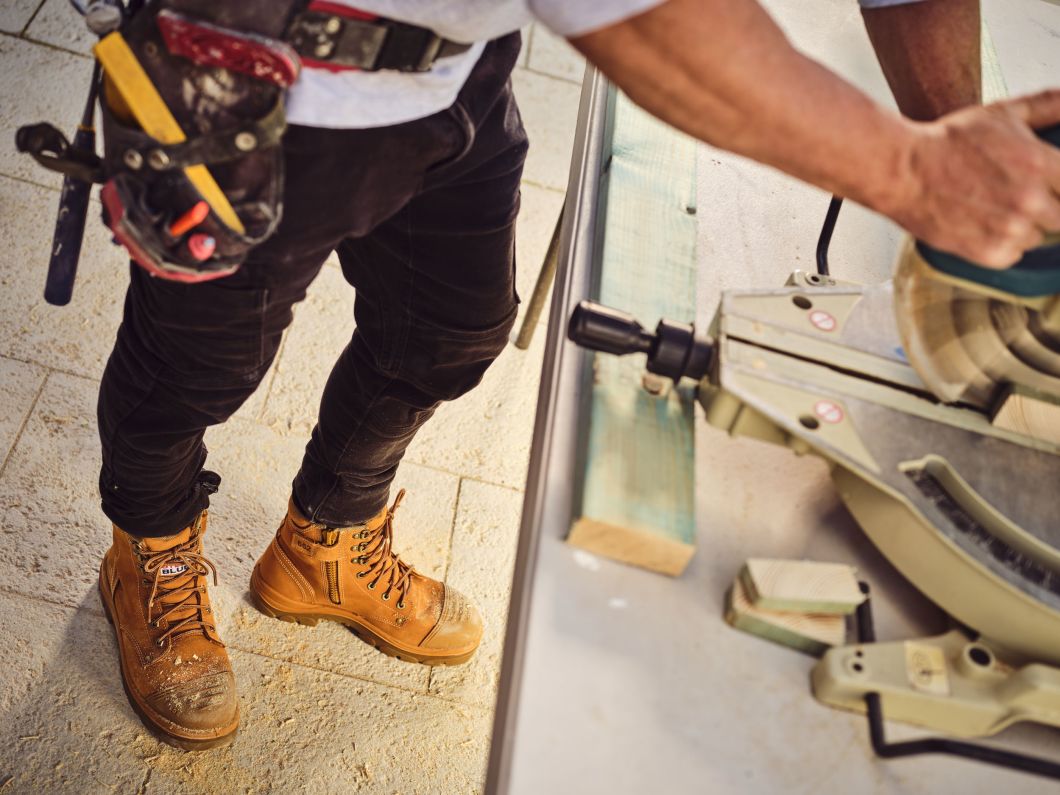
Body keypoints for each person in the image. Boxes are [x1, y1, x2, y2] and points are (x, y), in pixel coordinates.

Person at [96, 0, 1060, 750]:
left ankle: (326, 541)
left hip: (454, 65)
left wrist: (976, 156)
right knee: (190, 371)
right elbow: (640, 21)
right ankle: (152, 551)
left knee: (451, 330)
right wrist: (917, 176)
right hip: (257, 83)